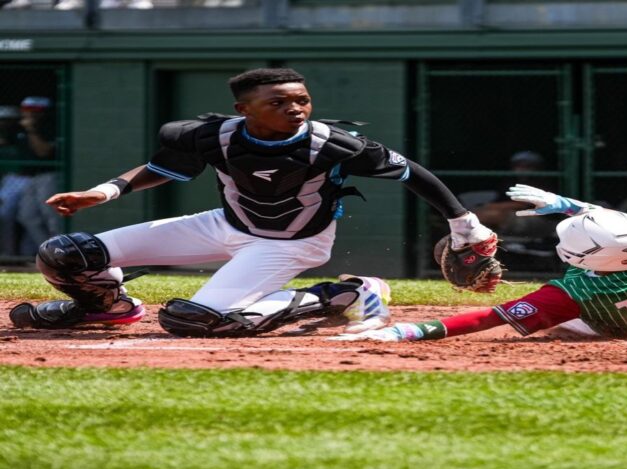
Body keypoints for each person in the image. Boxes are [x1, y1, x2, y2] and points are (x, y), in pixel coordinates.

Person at [8, 67, 496, 338]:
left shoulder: (334, 144)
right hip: (223, 224)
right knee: (64, 255)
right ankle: (108, 308)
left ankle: (343, 295)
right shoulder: (209, 135)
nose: (295, 109)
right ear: (245, 110)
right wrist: (106, 191)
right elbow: (164, 168)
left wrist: (465, 225)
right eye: (279, 102)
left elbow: (414, 174)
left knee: (194, 320)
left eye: (301, 100)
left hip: (291, 244)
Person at [333, 184, 627, 343]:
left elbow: (487, 319)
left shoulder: (569, 294)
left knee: (561, 327)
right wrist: (567, 205)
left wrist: (406, 332)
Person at [15, 96, 60, 255]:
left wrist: (31, 129)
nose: (30, 115)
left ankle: (61, 252)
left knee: (52, 217)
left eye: (35, 111)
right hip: (29, 177)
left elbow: (43, 152)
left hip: (49, 175)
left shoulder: (50, 127)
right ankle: (48, 253)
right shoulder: (20, 127)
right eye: (27, 111)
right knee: (27, 215)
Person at [0, 104, 30, 256]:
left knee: (27, 217)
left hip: (28, 179)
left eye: (8, 120)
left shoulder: (23, 135)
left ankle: (27, 254)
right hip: (10, 179)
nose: (4, 124)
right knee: (5, 215)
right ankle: (8, 254)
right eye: (2, 120)